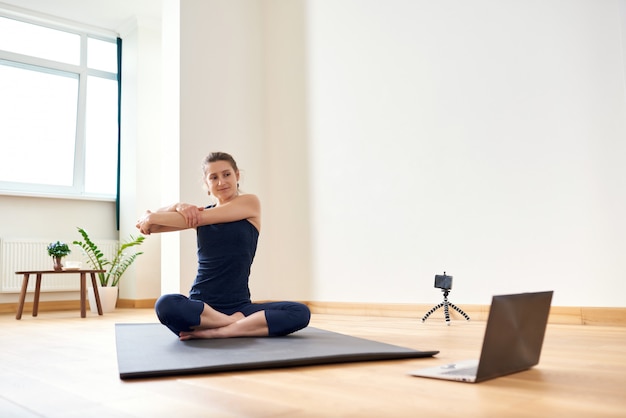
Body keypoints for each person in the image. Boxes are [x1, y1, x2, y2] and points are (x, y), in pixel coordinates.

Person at [136, 151, 310, 340]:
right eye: (214, 177)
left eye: (226, 174)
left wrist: (151, 216)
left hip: (240, 306)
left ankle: (218, 331)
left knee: (300, 312)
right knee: (166, 305)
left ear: (237, 175)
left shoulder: (249, 203)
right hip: (202, 307)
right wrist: (178, 205)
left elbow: (154, 220)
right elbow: (149, 226)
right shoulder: (198, 215)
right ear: (207, 184)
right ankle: (235, 325)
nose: (221, 182)